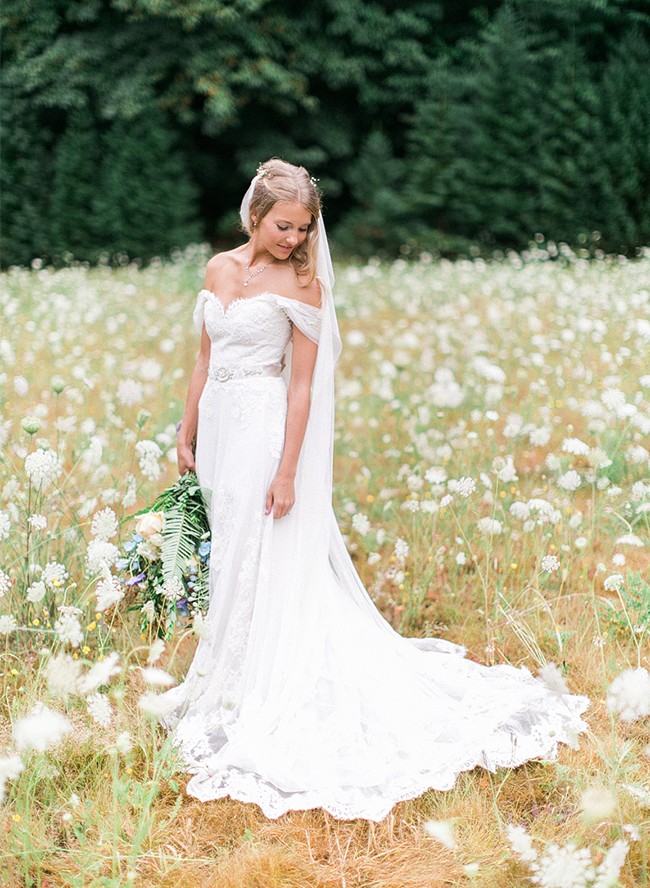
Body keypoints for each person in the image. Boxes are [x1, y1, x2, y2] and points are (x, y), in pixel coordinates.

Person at [164, 158, 588, 822]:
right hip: (220, 428)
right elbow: (203, 358)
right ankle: (233, 670)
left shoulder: (304, 286)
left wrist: (287, 471)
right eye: (283, 226)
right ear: (254, 215)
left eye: (304, 228)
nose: (295, 240)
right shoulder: (219, 268)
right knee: (231, 547)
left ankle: (266, 676)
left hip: (265, 432)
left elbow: (302, 388)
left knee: (262, 550)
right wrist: (186, 427)